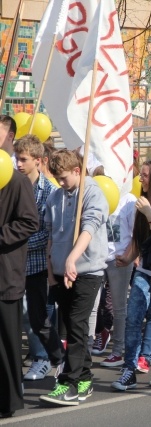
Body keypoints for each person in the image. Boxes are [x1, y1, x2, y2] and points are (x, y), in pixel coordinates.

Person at [40, 149, 109, 406]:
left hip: (86, 271)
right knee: (70, 325)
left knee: (78, 325)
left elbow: (90, 226)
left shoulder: (92, 192)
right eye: (56, 178)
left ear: (78, 171)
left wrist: (72, 259)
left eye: (64, 178)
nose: (60, 183)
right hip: (59, 273)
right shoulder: (56, 196)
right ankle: (85, 377)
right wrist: (51, 273)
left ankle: (68, 382)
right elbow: (50, 235)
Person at [111, 159, 151, 391]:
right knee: (133, 318)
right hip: (144, 270)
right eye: (141, 174)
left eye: (145, 175)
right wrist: (127, 257)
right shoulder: (140, 202)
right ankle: (129, 369)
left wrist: (149, 213)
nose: (141, 179)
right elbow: (138, 238)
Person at [14, 136, 63, 381]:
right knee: (16, 317)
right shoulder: (12, 186)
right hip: (12, 265)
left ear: (38, 161)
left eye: (24, 160)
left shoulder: (51, 193)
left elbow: (47, 234)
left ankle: (54, 359)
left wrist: (17, 242)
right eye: (17, 159)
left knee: (38, 318)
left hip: (38, 266)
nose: (19, 164)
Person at [0, 160, 39, 418]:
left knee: (7, 342)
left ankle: (8, 400)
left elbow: (29, 222)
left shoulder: (17, 181)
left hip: (5, 275)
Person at [99, 187, 137, 368]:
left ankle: (117, 351)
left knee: (119, 307)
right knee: (91, 307)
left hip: (119, 260)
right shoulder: (95, 191)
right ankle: (88, 345)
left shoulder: (129, 199)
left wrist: (129, 255)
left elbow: (135, 233)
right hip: (96, 259)